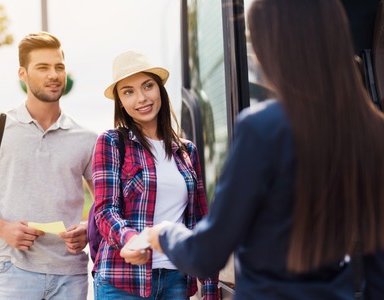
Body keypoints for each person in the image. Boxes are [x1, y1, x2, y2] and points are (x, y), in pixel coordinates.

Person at [147, 0, 384, 299]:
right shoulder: (374, 131)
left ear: (273, 47)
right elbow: (378, 264)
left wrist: (165, 233)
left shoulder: (263, 128)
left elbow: (206, 254)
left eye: (253, 39)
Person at [0, 32, 97, 299]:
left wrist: (89, 228)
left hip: (71, 274)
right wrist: (2, 229)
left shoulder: (88, 139)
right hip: (11, 270)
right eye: (42, 67)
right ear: (23, 73)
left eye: (59, 67)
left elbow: (106, 202)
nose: (53, 74)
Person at [91, 50, 219, 299]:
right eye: (128, 91)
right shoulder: (111, 142)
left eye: (147, 86)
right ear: (120, 101)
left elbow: (201, 221)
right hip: (122, 281)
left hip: (176, 280)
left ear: (159, 88)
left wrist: (211, 287)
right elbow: (105, 211)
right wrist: (131, 240)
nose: (141, 98)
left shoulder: (186, 151)